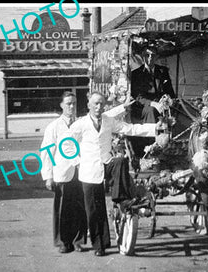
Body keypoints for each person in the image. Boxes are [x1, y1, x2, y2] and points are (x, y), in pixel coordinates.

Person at [66, 92, 159, 256]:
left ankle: (120, 198)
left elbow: (130, 128)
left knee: (120, 161)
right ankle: (99, 246)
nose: (98, 107)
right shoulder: (81, 124)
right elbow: (66, 145)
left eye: (101, 104)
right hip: (88, 171)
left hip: (106, 164)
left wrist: (155, 128)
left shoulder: (108, 120)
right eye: (95, 104)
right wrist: (77, 162)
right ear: (88, 105)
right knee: (94, 210)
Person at [40, 91, 87, 254]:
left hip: (80, 172)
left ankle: (78, 241)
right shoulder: (54, 127)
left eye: (74, 103)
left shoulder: (82, 123)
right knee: (62, 208)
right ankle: (63, 241)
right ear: (61, 105)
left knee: (80, 207)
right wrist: (48, 176)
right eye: (68, 103)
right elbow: (47, 152)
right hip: (62, 172)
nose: (72, 106)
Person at [130, 43, 176, 124]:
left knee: (177, 109)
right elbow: (137, 97)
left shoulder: (162, 71)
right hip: (144, 107)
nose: (150, 58)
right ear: (142, 56)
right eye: (147, 55)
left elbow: (169, 91)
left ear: (157, 57)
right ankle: (153, 136)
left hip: (162, 104)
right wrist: (153, 104)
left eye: (153, 55)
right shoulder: (136, 74)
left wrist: (169, 99)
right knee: (152, 110)